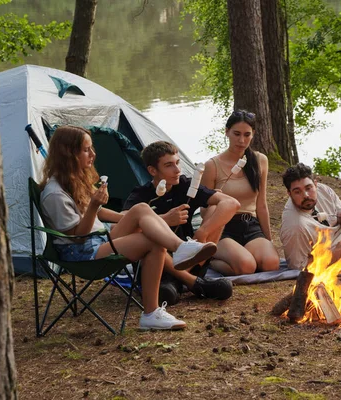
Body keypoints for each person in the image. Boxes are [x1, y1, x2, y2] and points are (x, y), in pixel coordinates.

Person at [39, 126, 218, 330]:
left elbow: (99, 214)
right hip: (83, 253)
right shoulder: (55, 194)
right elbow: (78, 236)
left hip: (99, 240)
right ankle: (152, 311)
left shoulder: (74, 180)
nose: (93, 154)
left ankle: (179, 250)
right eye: (86, 149)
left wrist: (127, 217)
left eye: (91, 148)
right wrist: (95, 206)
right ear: (69, 153)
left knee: (141, 209)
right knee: (153, 242)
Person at [123, 141, 239, 304]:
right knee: (149, 237)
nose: (177, 170)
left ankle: (177, 282)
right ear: (152, 170)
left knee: (215, 210)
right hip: (157, 265)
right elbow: (121, 227)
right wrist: (164, 219)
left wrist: (203, 232)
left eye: (178, 163)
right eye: (169, 165)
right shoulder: (141, 195)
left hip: (191, 259)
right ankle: (192, 283)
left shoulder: (185, 185)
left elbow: (231, 204)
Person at [201, 110, 280, 276]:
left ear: (253, 135)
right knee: (247, 267)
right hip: (223, 227)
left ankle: (241, 255)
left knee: (271, 263)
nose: (241, 140)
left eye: (247, 134)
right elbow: (203, 211)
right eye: (236, 134)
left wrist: (269, 240)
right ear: (227, 131)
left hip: (250, 225)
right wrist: (216, 200)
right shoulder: (212, 165)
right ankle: (211, 259)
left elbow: (261, 204)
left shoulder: (260, 161)